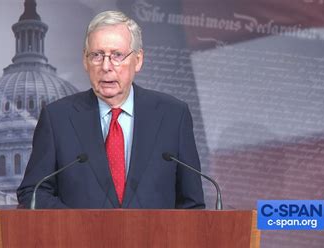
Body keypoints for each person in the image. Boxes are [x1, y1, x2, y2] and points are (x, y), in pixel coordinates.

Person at [17, 10, 205, 209]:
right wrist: (77, 225)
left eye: (117, 55)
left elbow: (192, 204)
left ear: (138, 60)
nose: (106, 66)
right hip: (80, 239)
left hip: (155, 240)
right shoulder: (57, 119)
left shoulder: (173, 116)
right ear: (85, 60)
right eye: (97, 55)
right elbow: (33, 192)